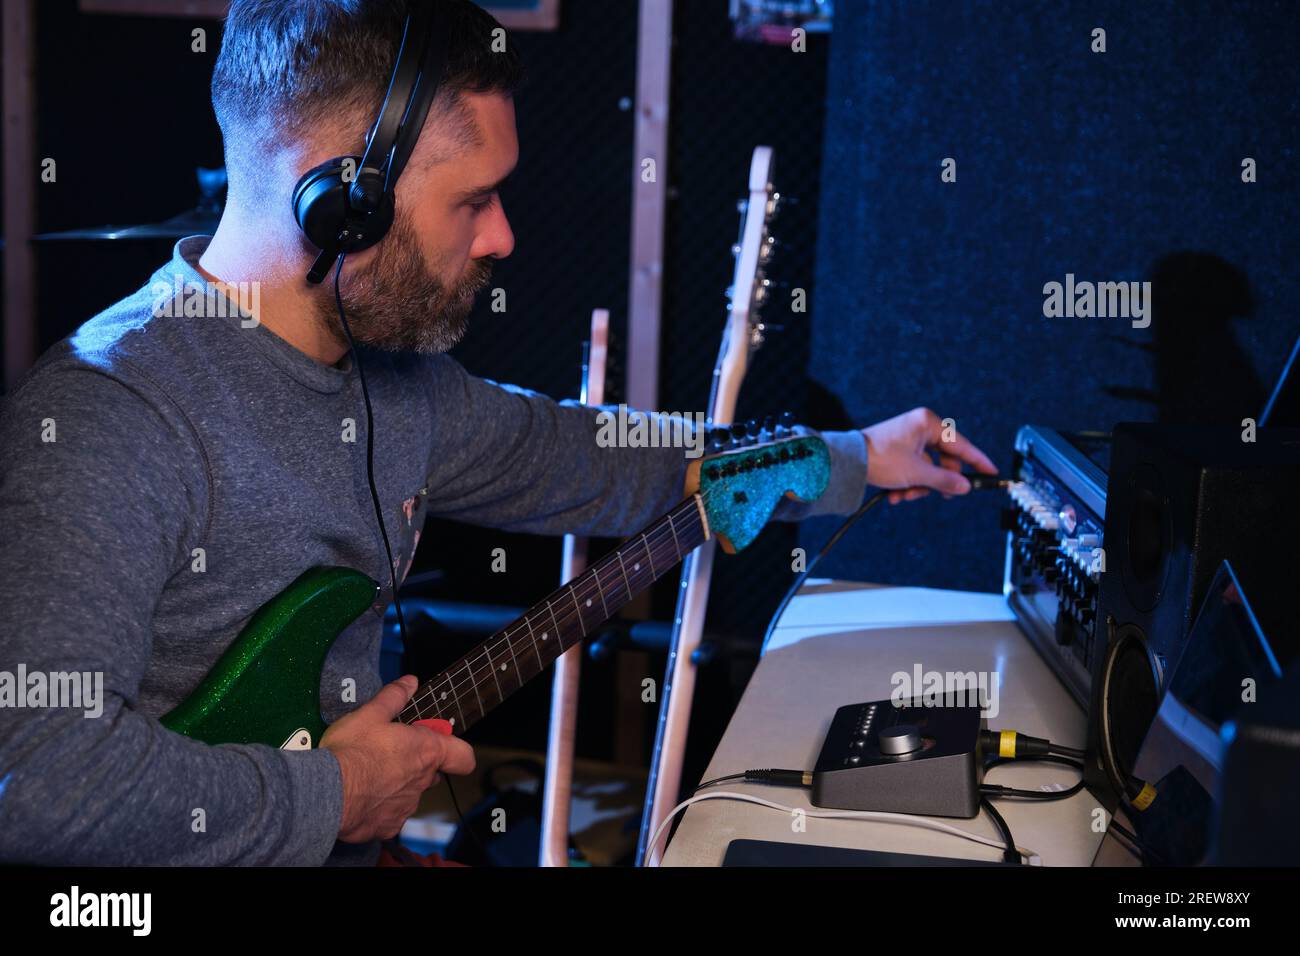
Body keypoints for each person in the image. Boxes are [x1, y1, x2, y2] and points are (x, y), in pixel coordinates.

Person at [0, 0, 996, 866]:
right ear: (339, 199)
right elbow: (31, 773)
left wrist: (854, 456)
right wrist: (337, 795)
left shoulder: (399, 386)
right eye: (471, 199)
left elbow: (596, 456)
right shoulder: (107, 418)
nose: (503, 237)